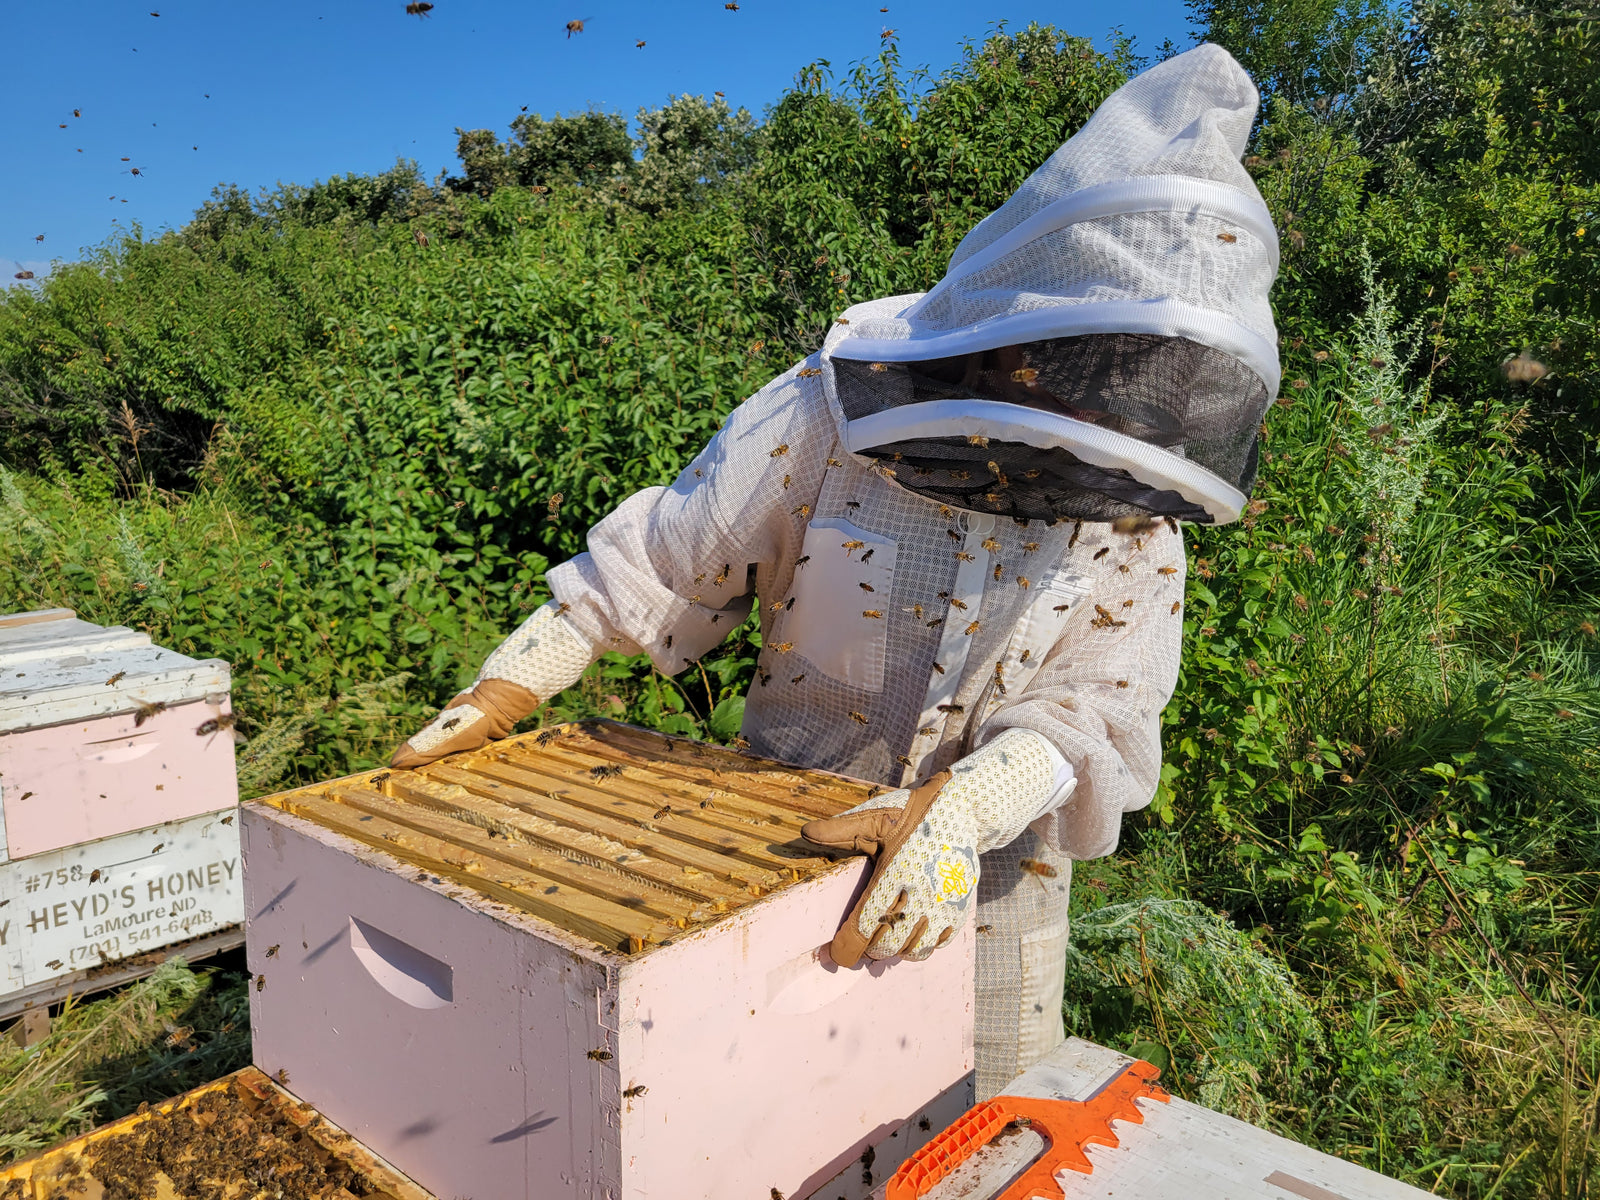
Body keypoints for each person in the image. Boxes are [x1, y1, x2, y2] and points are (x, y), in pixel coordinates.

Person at [391, 43, 1279, 1099]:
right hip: (777, 843)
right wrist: (516, 675)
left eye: (1138, 385)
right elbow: (666, 561)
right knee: (770, 1113)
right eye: (1087, 374)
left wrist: (967, 806)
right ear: (1028, 328)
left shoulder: (1129, 492)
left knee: (976, 1123)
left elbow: (1102, 707)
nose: (1097, 415)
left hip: (994, 880)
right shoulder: (824, 415)